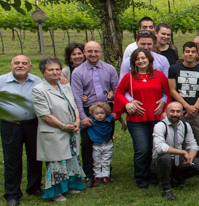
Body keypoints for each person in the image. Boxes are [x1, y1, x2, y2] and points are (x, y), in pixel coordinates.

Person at [32, 57, 88, 203]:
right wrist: (63, 126)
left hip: (71, 128)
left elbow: (74, 104)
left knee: (70, 158)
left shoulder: (64, 85)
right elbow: (45, 115)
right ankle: (56, 191)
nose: (55, 72)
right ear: (43, 72)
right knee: (56, 161)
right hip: (55, 130)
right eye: (50, 70)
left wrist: (76, 120)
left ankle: (69, 185)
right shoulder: (39, 90)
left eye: (57, 69)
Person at [114, 48, 170, 189]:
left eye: (143, 58)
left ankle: (153, 175)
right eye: (137, 59)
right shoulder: (129, 77)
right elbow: (119, 92)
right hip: (136, 119)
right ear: (133, 62)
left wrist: (164, 108)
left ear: (149, 59)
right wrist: (127, 104)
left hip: (156, 117)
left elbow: (169, 93)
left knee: (154, 148)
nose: (141, 61)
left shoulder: (159, 75)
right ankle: (140, 177)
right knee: (142, 149)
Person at [0, 55, 43, 199]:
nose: (20, 65)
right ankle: (12, 193)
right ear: (11, 65)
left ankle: (34, 187)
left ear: (30, 67)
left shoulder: (37, 81)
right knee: (12, 159)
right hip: (11, 126)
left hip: (33, 124)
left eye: (24, 63)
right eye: (17, 63)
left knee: (35, 157)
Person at [70, 41, 119, 186]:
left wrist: (115, 110)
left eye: (96, 51)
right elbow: (77, 97)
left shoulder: (109, 69)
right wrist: (83, 118)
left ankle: (105, 172)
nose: (93, 54)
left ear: (100, 52)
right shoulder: (78, 72)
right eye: (89, 51)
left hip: (106, 110)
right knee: (87, 143)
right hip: (88, 110)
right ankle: (90, 174)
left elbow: (117, 90)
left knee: (106, 139)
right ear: (84, 53)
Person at [151, 101, 199, 200]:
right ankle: (166, 189)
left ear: (182, 113)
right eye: (172, 111)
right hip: (159, 162)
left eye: (178, 111)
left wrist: (190, 159)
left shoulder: (185, 126)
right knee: (166, 158)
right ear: (166, 112)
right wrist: (183, 152)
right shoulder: (160, 126)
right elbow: (160, 148)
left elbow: (193, 144)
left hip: (177, 161)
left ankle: (176, 179)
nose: (175, 114)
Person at [168, 41, 199, 166]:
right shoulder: (174, 69)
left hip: (198, 111)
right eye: (187, 51)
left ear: (197, 53)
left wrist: (195, 107)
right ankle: (178, 167)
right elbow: (172, 90)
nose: (190, 54)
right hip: (180, 111)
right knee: (178, 141)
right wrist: (186, 106)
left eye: (193, 52)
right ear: (183, 53)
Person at [85, 101, 114, 185]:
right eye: (97, 113)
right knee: (96, 161)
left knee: (106, 160)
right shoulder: (91, 122)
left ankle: (106, 176)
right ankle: (97, 176)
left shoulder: (109, 120)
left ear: (106, 113)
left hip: (107, 144)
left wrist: (122, 123)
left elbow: (116, 116)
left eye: (102, 113)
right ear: (93, 115)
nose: (100, 115)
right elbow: (81, 127)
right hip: (96, 145)